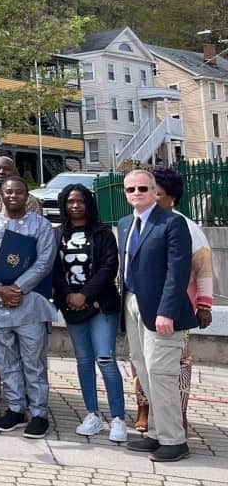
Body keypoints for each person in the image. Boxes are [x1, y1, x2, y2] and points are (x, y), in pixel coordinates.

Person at [118, 169, 197, 462]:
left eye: (142, 188)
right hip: (132, 303)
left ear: (154, 191)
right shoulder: (126, 223)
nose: (136, 194)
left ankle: (174, 440)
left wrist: (167, 311)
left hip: (162, 311)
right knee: (143, 368)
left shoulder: (172, 223)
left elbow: (177, 273)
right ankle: (155, 433)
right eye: (130, 190)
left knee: (161, 373)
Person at [130, 168, 215, 436]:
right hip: (142, 309)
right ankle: (148, 412)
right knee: (142, 363)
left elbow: (202, 268)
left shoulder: (184, 226)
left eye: (158, 193)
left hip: (176, 309)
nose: (150, 197)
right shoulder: (137, 222)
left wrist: (204, 305)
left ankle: (178, 419)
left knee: (175, 367)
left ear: (172, 198)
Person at [0, 175, 57, 439]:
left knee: (34, 363)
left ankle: (39, 413)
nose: (13, 196)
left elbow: (45, 261)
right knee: (6, 362)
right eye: (8, 192)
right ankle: (14, 408)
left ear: (27, 195)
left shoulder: (41, 225)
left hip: (30, 305)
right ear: (1, 194)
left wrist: (19, 287)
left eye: (19, 192)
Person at [51, 183, 126, 442]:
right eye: (70, 201)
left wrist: (86, 295)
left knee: (105, 358)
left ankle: (118, 418)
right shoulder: (57, 234)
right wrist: (70, 297)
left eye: (80, 201)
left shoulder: (103, 233)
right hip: (72, 307)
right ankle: (92, 414)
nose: (75, 205)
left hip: (101, 305)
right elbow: (54, 271)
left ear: (88, 203)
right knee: (83, 361)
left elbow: (109, 267)